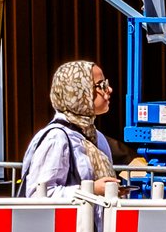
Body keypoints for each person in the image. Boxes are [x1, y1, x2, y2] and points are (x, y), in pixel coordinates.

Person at [20, 60, 120, 199]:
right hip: (71, 221)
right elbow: (39, 193)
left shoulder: (96, 136)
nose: (109, 90)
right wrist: (91, 191)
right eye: (101, 85)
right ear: (78, 91)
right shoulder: (56, 138)